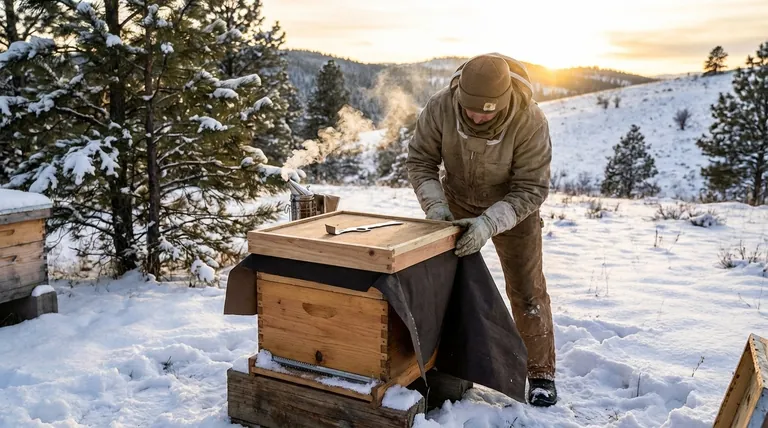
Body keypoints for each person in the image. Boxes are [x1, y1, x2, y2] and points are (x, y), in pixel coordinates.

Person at [405, 53, 556, 407]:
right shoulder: (440, 107)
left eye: (487, 112)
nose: (477, 116)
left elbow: (532, 188)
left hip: (512, 208)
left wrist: (490, 222)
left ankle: (540, 372)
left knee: (527, 291)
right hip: (454, 202)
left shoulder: (530, 120)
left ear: (503, 102)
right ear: (459, 92)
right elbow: (421, 161)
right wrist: (436, 207)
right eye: (471, 109)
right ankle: (441, 361)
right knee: (443, 283)